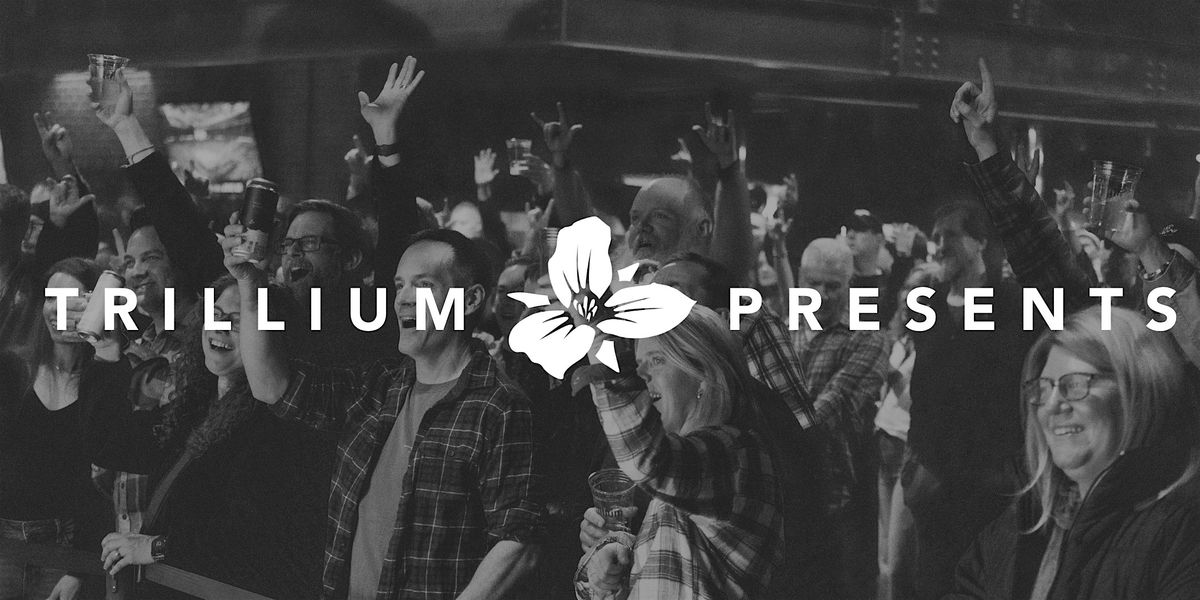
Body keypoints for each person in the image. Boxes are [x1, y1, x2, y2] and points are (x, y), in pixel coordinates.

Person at [226, 226, 543, 600]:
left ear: (470, 300)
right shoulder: (379, 386)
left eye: (422, 285)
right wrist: (250, 286)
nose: (403, 299)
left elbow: (518, 541)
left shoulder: (499, 405)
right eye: (399, 286)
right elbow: (272, 386)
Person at [91, 276, 330, 599]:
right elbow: (110, 444)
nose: (220, 327)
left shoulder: (278, 425)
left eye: (238, 322)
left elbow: (252, 541)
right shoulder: (195, 406)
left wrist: (156, 547)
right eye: (215, 315)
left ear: (273, 335)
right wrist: (106, 353)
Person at [950, 306, 1200, 599]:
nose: (1052, 405)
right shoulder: (1021, 525)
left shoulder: (1183, 533)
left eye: (1076, 384)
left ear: (1140, 390)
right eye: (1043, 388)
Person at [574, 305, 783, 599]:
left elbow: (648, 460)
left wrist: (600, 349)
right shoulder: (686, 480)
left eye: (657, 360)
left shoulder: (739, 454)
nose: (641, 374)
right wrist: (611, 560)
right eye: (639, 363)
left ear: (704, 374)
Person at [904, 201, 1032, 600]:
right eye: (936, 236)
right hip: (933, 485)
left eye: (952, 235)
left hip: (987, 488)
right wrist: (916, 462)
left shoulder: (1011, 303)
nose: (940, 245)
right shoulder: (928, 304)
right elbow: (923, 391)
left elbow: (1010, 390)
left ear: (980, 241)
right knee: (930, 584)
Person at [0, 258, 109, 600]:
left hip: (65, 547)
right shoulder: (13, 368)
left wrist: (79, 568)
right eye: (51, 297)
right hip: (5, 542)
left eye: (72, 300)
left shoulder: (103, 381)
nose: (58, 309)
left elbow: (104, 487)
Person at [792, 237, 890, 599]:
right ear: (800, 279)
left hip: (840, 496)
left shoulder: (868, 338)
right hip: (787, 494)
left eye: (833, 286)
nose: (822, 294)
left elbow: (824, 414)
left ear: (849, 284)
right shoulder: (785, 329)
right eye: (814, 283)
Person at [875, 263, 940, 600]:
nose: (906, 297)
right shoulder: (901, 338)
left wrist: (890, 372)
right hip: (884, 440)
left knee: (901, 558)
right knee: (883, 554)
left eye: (916, 290)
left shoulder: (935, 346)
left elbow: (921, 401)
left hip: (907, 448)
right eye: (905, 288)